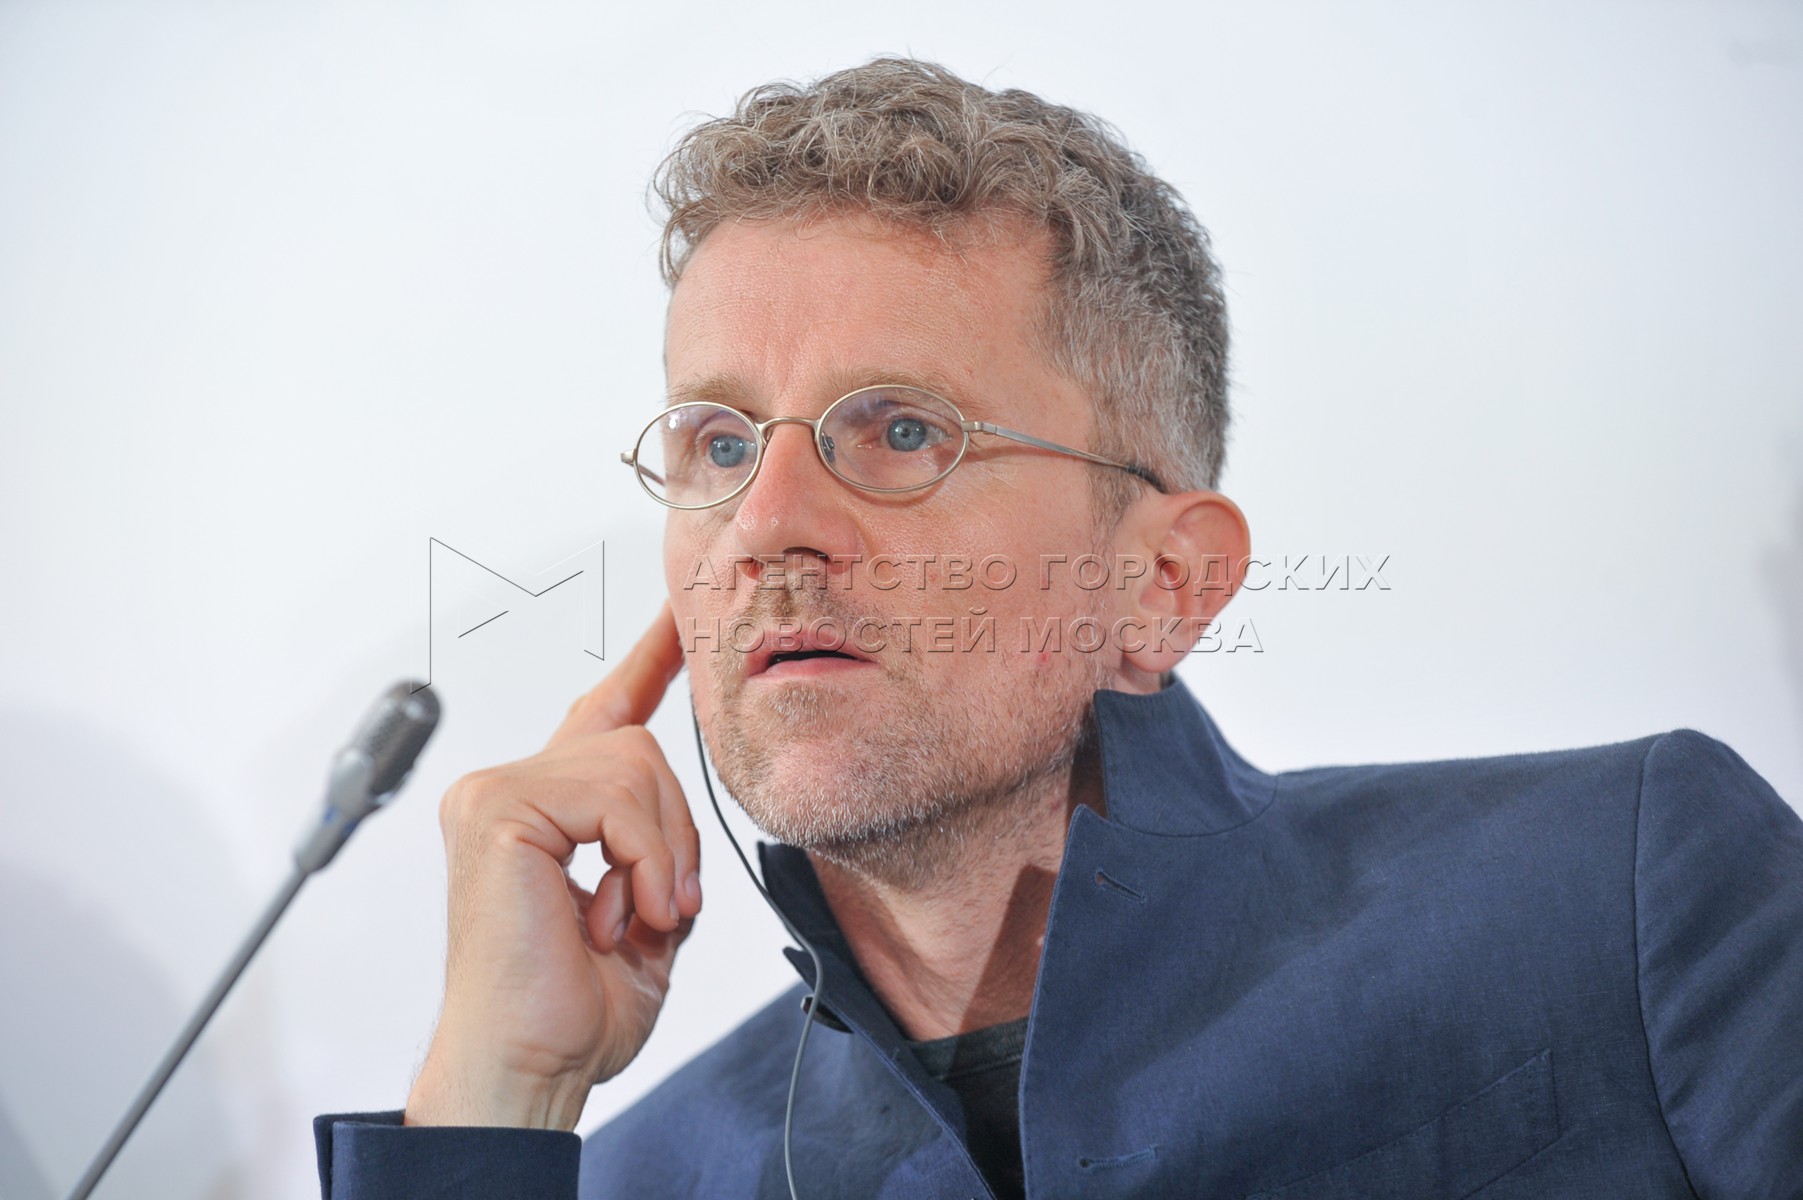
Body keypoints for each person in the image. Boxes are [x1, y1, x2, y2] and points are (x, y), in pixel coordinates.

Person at [313, 58, 1803, 1199]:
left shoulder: (1615, 898)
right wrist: (501, 1098)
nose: (765, 524)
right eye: (717, 444)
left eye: (901, 430)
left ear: (1163, 584)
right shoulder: (641, 1177)